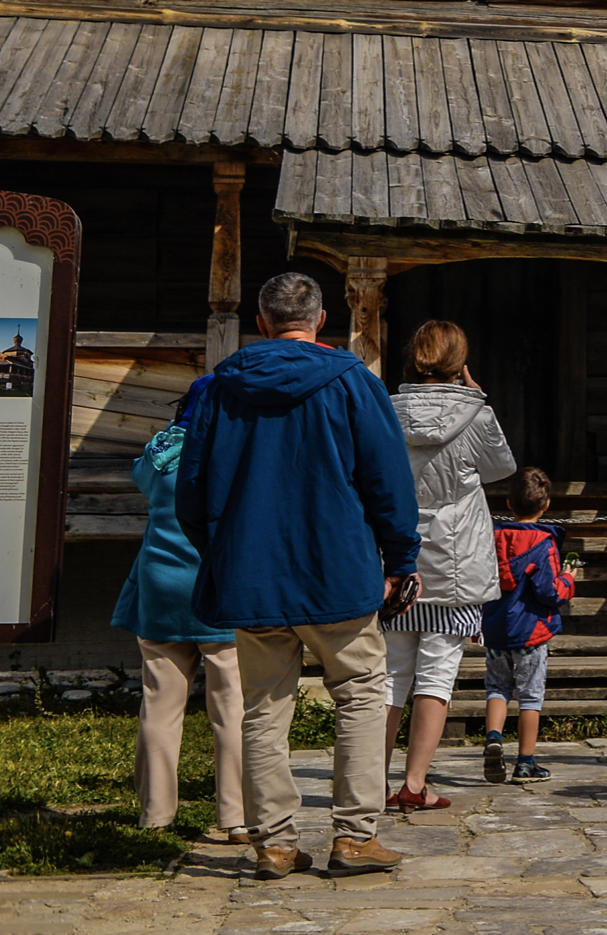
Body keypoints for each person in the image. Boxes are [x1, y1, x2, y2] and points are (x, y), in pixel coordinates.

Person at [176, 271, 418, 879]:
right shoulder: (354, 384)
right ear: (319, 321)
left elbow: (191, 492)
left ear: (261, 323)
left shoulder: (216, 390)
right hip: (338, 570)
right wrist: (402, 559)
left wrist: (224, 549)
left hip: (253, 575)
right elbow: (388, 483)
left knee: (262, 708)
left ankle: (276, 844)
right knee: (362, 696)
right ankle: (355, 837)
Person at [383, 320, 517, 813]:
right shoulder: (476, 415)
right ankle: (415, 784)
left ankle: (370, 782)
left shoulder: (386, 409)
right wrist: (481, 399)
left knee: (390, 676)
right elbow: (502, 468)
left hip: (399, 561)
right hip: (456, 565)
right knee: (436, 677)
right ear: (460, 364)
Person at [113, 375, 247, 840]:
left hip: (160, 586)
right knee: (231, 705)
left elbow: (141, 480)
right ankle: (234, 816)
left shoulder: (162, 450)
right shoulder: (233, 451)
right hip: (219, 587)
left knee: (159, 703)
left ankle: (155, 814)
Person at [482, 465, 574, 784]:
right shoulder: (544, 542)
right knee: (530, 696)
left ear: (509, 504)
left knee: (497, 688)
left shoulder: (491, 537)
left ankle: (494, 738)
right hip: (532, 632)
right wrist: (568, 580)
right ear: (546, 505)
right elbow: (549, 592)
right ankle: (525, 762)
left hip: (496, 628)